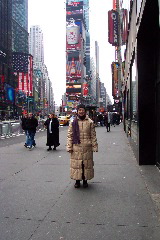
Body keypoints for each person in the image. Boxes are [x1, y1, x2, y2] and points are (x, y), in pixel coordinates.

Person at [66, 104, 98, 188]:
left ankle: (85, 180)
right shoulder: (73, 122)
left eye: (82, 110)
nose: (81, 111)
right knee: (77, 165)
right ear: (77, 111)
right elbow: (70, 135)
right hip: (76, 146)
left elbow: (93, 135)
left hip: (87, 146)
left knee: (86, 165)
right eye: (79, 110)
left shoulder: (90, 122)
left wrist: (94, 146)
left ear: (85, 111)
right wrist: (69, 146)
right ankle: (77, 181)